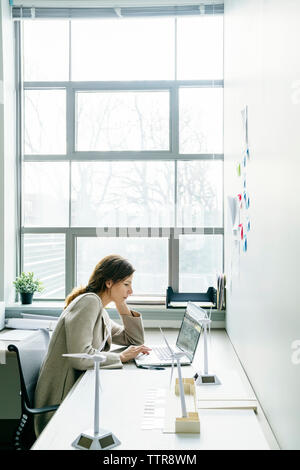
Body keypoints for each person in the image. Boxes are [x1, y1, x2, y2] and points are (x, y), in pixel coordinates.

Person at [34, 254, 151, 437]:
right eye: (126, 284)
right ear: (109, 283)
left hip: (79, 387)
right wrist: (120, 357)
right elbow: (81, 357)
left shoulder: (99, 308)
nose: (131, 291)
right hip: (63, 396)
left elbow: (133, 340)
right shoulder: (88, 303)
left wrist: (121, 304)